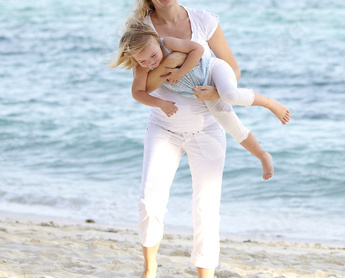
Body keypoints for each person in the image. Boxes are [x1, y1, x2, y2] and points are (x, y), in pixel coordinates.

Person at [116, 0, 287, 278]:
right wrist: (164, 82)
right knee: (150, 201)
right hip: (163, 129)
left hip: (207, 127)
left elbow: (232, 68)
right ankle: (149, 273)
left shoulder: (204, 21)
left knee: (206, 210)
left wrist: (216, 91)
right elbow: (141, 85)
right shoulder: (142, 31)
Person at [110, 20, 291, 180]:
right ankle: (262, 155)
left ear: (157, 41)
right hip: (201, 92)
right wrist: (160, 103)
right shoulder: (142, 67)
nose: (151, 62)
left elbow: (198, 49)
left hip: (213, 70)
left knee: (229, 95)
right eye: (142, 61)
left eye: (153, 55)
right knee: (231, 126)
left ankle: (269, 102)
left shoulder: (168, 44)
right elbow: (137, 93)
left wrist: (180, 72)